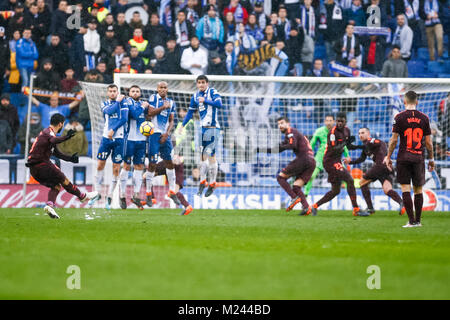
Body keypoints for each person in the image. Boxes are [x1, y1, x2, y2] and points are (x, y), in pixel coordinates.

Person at [25, 113, 98, 218]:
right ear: (60, 124)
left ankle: (50, 205)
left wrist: (70, 159)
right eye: (63, 124)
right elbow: (54, 140)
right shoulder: (48, 133)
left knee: (56, 185)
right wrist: (67, 137)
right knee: (63, 179)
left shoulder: (46, 134)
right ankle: (82, 196)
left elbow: (57, 153)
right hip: (41, 164)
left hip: (34, 169)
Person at [383, 91, 434, 228]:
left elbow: (393, 140)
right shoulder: (424, 118)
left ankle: (411, 221)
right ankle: (418, 221)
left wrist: (388, 157)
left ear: (404, 102)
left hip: (404, 157)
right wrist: (431, 159)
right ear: (417, 102)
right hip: (418, 157)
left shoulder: (399, 117)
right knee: (418, 190)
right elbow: (428, 143)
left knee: (406, 189)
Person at [306, 112, 368, 216]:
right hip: (330, 161)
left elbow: (348, 146)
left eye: (341, 121)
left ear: (345, 121)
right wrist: (345, 143)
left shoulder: (347, 130)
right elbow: (334, 148)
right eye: (338, 121)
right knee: (350, 180)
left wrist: (361, 147)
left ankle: (314, 206)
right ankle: (356, 209)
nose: (339, 123)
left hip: (337, 161)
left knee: (335, 191)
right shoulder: (332, 133)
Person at [177, 75, 223, 197]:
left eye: (203, 82)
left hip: (213, 128)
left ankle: (212, 183)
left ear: (207, 83)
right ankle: (203, 181)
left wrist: (206, 100)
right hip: (202, 128)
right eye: (199, 83)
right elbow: (190, 112)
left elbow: (219, 104)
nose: (201, 84)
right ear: (197, 84)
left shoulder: (212, 92)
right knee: (203, 156)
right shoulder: (195, 96)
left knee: (211, 155)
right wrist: (182, 125)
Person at [260, 117, 315, 214]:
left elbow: (292, 145)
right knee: (296, 186)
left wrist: (281, 146)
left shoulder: (291, 131)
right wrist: (262, 149)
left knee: (280, 177)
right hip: (311, 161)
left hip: (303, 158)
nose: (280, 126)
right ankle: (306, 208)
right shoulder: (293, 134)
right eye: (278, 124)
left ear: (288, 124)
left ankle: (294, 198)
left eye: (282, 123)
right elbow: (280, 149)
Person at [348, 127, 405, 215]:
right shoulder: (365, 147)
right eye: (359, 133)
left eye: (363, 133)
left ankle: (370, 208)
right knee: (387, 189)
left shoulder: (372, 141)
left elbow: (382, 144)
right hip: (385, 169)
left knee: (362, 182)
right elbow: (361, 159)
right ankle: (402, 203)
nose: (360, 135)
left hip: (380, 166)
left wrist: (385, 157)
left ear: (368, 134)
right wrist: (350, 162)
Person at [88, 84, 128, 210]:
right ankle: (98, 193)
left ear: (117, 91)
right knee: (100, 165)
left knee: (116, 168)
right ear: (107, 93)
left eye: (114, 91)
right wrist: (117, 101)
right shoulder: (104, 103)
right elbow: (109, 111)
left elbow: (124, 119)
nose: (112, 93)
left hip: (119, 139)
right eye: (110, 91)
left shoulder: (124, 103)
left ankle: (110, 195)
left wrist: (113, 129)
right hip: (106, 139)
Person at [145, 81, 180, 206]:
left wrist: (167, 134)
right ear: (157, 88)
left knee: (169, 163)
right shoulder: (153, 98)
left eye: (165, 87)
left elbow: (171, 121)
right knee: (152, 164)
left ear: (167, 89)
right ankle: (148, 194)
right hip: (153, 134)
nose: (163, 89)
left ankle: (172, 192)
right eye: (161, 87)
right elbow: (149, 113)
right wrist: (162, 108)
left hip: (165, 136)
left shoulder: (171, 102)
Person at [304, 114, 351, 196]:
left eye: (330, 121)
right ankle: (305, 195)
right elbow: (312, 143)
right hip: (320, 157)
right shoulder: (319, 131)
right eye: (327, 121)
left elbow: (344, 145)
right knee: (311, 176)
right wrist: (308, 154)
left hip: (334, 158)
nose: (328, 122)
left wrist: (347, 155)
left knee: (345, 177)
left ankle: (351, 196)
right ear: (324, 122)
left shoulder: (339, 131)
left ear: (333, 121)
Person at [119, 85, 147, 210]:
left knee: (139, 166)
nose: (135, 93)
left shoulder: (142, 103)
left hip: (141, 140)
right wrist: (144, 107)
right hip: (129, 139)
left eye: (137, 91)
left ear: (140, 93)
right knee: (126, 165)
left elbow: (149, 114)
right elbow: (135, 114)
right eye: (133, 91)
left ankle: (136, 195)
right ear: (129, 93)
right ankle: (122, 194)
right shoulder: (127, 102)